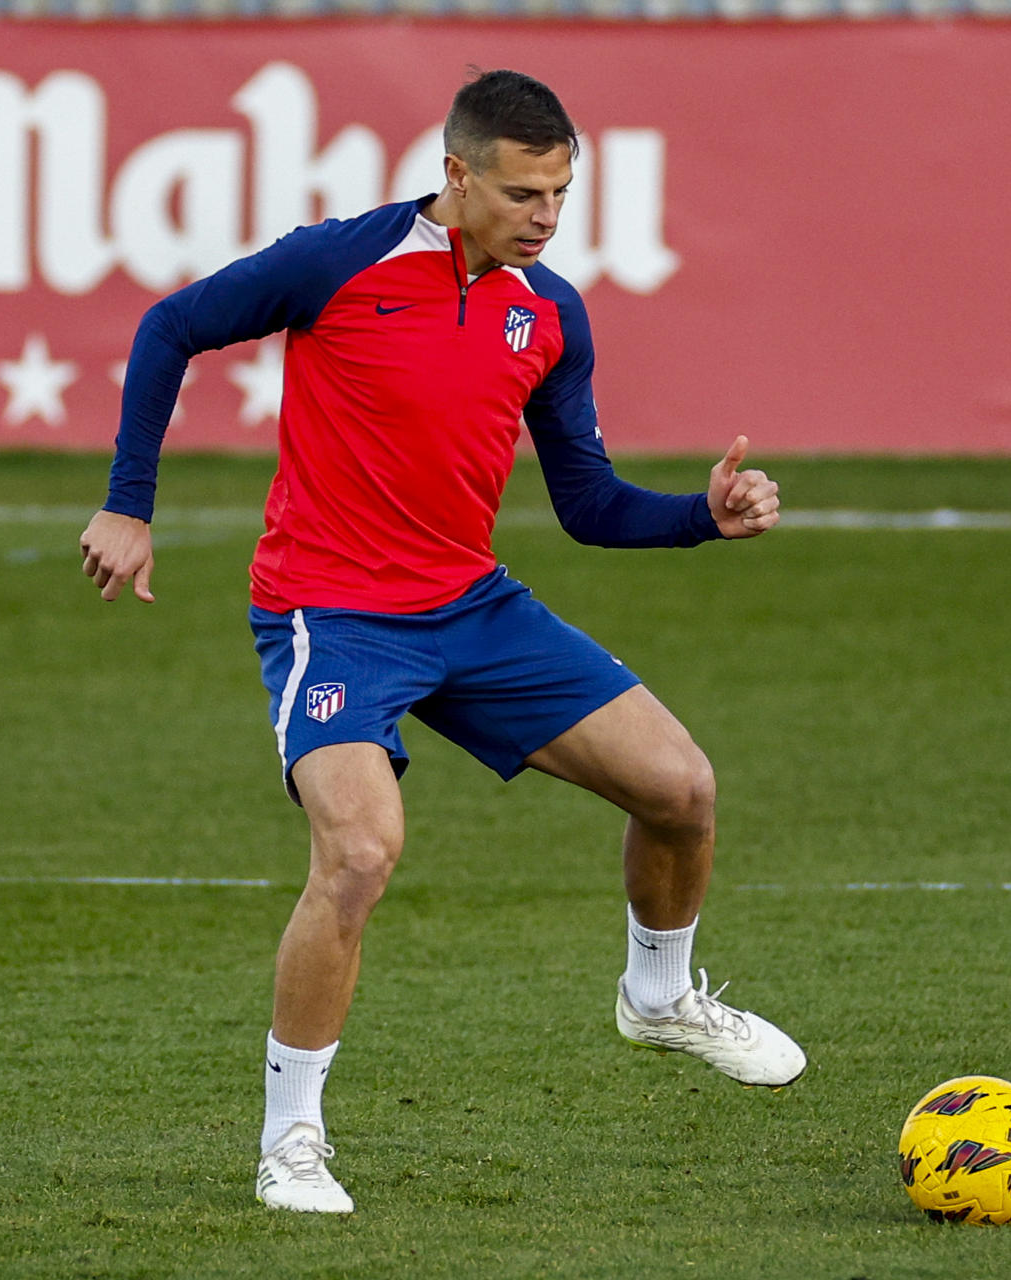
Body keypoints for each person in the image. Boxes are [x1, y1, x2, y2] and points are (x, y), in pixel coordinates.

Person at [79, 69, 803, 1215]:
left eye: (562, 191)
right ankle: (291, 1141)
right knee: (360, 852)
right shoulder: (339, 261)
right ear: (457, 175)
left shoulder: (551, 312)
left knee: (682, 787)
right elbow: (172, 325)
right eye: (524, 192)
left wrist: (697, 519)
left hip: (470, 608)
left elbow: (586, 504)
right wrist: (130, 501)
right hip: (334, 616)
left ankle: (658, 999)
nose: (548, 216)